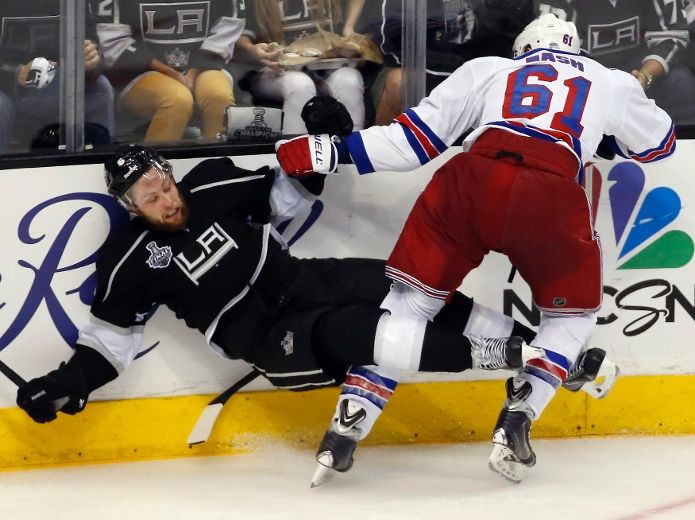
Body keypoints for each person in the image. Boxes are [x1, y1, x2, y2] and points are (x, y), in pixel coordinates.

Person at [275, 13, 673, 483]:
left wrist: (332, 152)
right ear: (576, 50)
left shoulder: (488, 69)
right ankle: (517, 418)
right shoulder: (606, 81)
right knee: (570, 318)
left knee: (406, 306)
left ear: (522, 52)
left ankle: (344, 430)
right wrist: (607, 136)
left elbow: (410, 144)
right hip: (548, 193)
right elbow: (660, 144)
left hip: (471, 180)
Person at [14, 143, 555, 475]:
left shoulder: (209, 182)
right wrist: (66, 384)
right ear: (131, 207)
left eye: (163, 182)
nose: (167, 198)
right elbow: (111, 342)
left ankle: (547, 348)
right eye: (149, 196)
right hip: (271, 335)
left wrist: (318, 140)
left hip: (306, 279)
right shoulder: (129, 264)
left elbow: (287, 196)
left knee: (402, 280)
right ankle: (517, 356)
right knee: (355, 329)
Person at [89, 0, 245, 143]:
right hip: (137, 73)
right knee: (176, 100)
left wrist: (193, 71)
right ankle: (153, 170)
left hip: (206, 67)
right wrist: (172, 73)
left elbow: (228, 26)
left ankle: (219, 165)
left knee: (218, 96)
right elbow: (113, 41)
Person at [365, 0, 535, 125]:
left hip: (481, 73)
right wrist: (453, 71)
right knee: (399, 82)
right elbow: (391, 45)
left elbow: (507, 45)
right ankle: (388, 168)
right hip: (427, 72)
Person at [536, 0, 695, 125]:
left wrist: (644, 76)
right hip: (581, 84)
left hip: (641, 76)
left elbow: (671, 37)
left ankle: (679, 150)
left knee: (680, 82)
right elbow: (552, 53)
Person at [235, 0, 368, 134]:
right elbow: (238, 34)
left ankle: (352, 150)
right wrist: (251, 49)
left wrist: (349, 29)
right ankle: (296, 152)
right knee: (300, 85)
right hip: (276, 69)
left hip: (327, 65)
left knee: (350, 81)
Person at [0, 0, 114, 153]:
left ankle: (102, 162)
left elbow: (93, 47)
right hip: (6, 90)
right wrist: (14, 74)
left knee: (101, 89)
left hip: (59, 84)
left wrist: (90, 59)